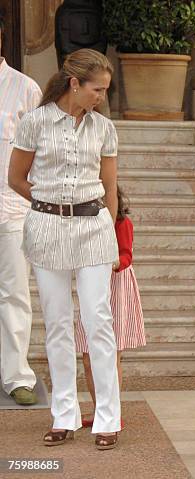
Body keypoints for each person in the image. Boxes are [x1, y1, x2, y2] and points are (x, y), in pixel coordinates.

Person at [8, 48, 122, 450]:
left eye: (105, 90)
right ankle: (64, 415)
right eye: (97, 89)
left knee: (97, 321)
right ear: (75, 84)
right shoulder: (35, 122)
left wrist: (110, 227)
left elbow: (110, 188)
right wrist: (47, 202)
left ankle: (108, 418)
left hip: (93, 229)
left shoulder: (104, 128)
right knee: (57, 324)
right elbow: (16, 178)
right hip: (47, 229)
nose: (101, 97)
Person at [74, 185, 146, 428]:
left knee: (111, 354)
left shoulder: (122, 224)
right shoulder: (82, 224)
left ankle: (111, 413)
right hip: (90, 286)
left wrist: (111, 262)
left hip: (116, 287)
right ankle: (98, 410)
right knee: (86, 355)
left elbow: (126, 256)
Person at [0, 15, 42, 406]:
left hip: (12, 209)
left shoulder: (25, 89)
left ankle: (16, 377)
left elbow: (40, 154)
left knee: (14, 294)